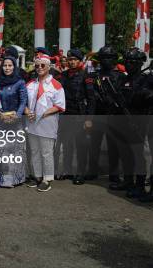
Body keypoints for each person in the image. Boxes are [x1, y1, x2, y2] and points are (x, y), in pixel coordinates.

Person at [24, 54, 66, 192]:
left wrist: (42, 114)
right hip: (32, 124)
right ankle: (37, 176)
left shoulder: (56, 85)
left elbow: (60, 106)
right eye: (37, 65)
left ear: (49, 67)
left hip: (47, 124)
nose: (39, 68)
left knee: (46, 152)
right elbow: (23, 102)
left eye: (42, 65)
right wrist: (26, 111)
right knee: (35, 151)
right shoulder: (30, 84)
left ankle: (47, 179)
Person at [115, 48, 151, 198]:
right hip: (123, 120)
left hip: (140, 121)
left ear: (140, 63)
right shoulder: (123, 79)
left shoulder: (147, 79)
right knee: (125, 153)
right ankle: (128, 181)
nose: (129, 65)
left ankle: (140, 185)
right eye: (127, 62)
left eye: (133, 62)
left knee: (137, 154)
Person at [86, 46, 124, 184]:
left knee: (114, 146)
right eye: (104, 58)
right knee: (94, 145)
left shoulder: (120, 76)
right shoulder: (94, 76)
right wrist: (89, 118)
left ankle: (114, 173)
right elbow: (91, 100)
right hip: (98, 115)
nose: (107, 60)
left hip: (114, 116)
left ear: (114, 60)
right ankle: (92, 170)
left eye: (110, 58)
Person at [57, 49, 94, 185]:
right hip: (66, 115)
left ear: (79, 61)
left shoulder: (86, 76)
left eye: (74, 60)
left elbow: (91, 99)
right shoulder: (63, 75)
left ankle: (80, 173)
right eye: (70, 59)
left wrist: (89, 119)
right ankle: (67, 170)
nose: (71, 62)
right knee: (67, 145)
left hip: (80, 115)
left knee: (81, 146)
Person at [0, 56, 28, 188]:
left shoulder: (20, 82)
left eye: (10, 65)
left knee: (17, 151)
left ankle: (17, 178)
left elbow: (23, 100)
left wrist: (18, 115)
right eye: (5, 65)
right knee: (2, 150)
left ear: (14, 67)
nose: (7, 68)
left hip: (16, 121)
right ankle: (3, 180)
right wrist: (0, 113)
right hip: (2, 120)